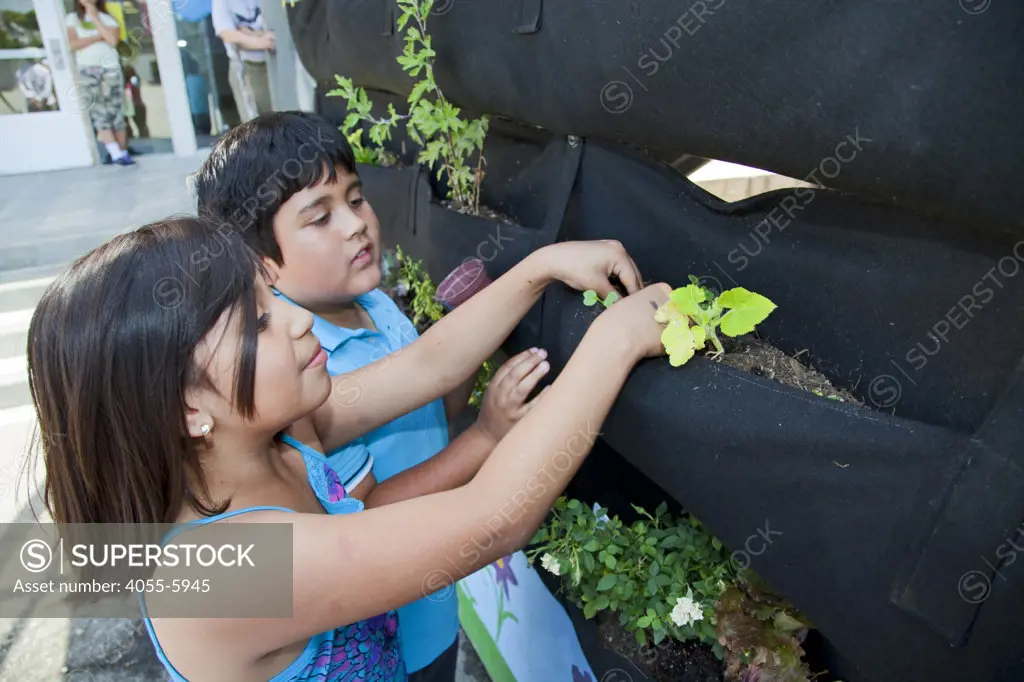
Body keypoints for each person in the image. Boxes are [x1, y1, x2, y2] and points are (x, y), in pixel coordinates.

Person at [28, 214, 669, 680]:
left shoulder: (281, 434)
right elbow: (493, 519)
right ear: (187, 408)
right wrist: (616, 339)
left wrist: (542, 266)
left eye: (270, 299)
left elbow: (428, 366)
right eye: (258, 321)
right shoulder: (224, 573)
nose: (300, 318)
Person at [195, 110, 524, 679]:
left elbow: (431, 404)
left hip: (438, 586)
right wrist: (485, 439)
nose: (355, 224)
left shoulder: (375, 305)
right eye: (319, 217)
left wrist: (466, 361)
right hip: (395, 627)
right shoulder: (295, 374)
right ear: (261, 263)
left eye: (356, 198)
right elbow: (365, 513)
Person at [65, 0, 134, 166]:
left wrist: (95, 17)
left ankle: (123, 151)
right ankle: (115, 153)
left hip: (110, 68)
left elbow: (112, 40)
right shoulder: (73, 19)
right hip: (88, 69)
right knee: (99, 111)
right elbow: (73, 44)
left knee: (115, 110)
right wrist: (98, 36)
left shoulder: (107, 18)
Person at [211, 0, 274, 122]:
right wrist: (258, 41)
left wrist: (249, 34)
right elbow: (227, 34)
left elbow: (277, 31)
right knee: (256, 123)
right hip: (246, 65)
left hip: (276, 61)